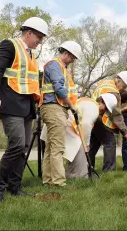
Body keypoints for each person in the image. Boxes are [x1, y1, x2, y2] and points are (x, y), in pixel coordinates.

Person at [0, 17, 49, 202]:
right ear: (29, 33)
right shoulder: (9, 45)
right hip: (9, 103)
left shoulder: (31, 55)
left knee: (23, 147)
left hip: (26, 106)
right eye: (39, 37)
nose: (40, 42)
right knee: (16, 144)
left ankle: (14, 187)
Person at [39, 40, 82, 187]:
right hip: (54, 108)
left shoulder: (61, 67)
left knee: (51, 147)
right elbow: (59, 88)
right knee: (57, 147)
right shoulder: (55, 65)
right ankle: (58, 182)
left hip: (55, 108)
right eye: (72, 58)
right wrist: (71, 105)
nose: (72, 61)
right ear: (66, 53)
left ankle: (48, 180)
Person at [40, 97, 99, 179]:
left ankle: (49, 177)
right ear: (101, 103)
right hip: (65, 124)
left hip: (56, 122)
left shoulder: (84, 101)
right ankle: (76, 175)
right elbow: (86, 124)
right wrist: (87, 144)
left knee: (52, 151)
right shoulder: (94, 108)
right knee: (77, 148)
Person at [88, 72, 127, 172]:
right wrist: (125, 131)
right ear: (119, 80)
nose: (124, 89)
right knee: (110, 143)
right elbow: (116, 114)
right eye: (124, 86)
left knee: (93, 145)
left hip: (93, 118)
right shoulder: (114, 92)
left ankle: (87, 169)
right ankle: (108, 171)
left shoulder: (104, 83)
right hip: (102, 120)